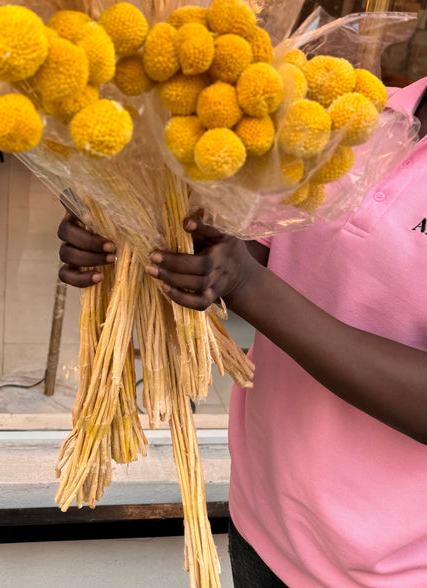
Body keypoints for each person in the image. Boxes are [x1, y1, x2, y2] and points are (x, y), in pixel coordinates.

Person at [58, 77, 427, 587]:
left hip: (390, 572)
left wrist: (246, 284)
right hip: (262, 517)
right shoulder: (354, 111)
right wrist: (135, 230)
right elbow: (272, 245)